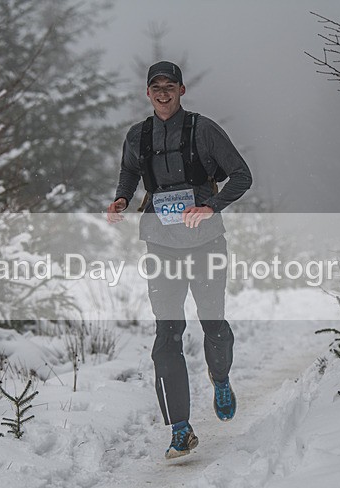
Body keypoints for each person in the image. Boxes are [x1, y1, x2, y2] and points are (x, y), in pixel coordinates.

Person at [107, 61, 252, 459]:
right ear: (148, 93)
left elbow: (241, 175)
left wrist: (212, 205)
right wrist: (121, 198)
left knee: (213, 323)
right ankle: (180, 429)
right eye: (156, 87)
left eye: (170, 86)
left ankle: (220, 377)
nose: (163, 92)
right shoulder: (138, 134)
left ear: (182, 90)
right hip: (160, 245)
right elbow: (129, 172)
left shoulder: (203, 130)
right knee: (166, 336)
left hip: (205, 243)